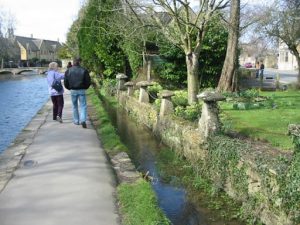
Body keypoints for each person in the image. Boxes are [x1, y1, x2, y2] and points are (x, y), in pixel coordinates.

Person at [64, 57, 91, 128]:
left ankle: (76, 121)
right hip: (81, 89)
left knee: (74, 106)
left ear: (73, 62)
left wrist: (69, 88)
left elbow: (65, 82)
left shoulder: (68, 71)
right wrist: (85, 87)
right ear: (79, 62)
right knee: (83, 106)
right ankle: (83, 120)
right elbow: (88, 81)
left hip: (73, 90)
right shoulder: (84, 70)